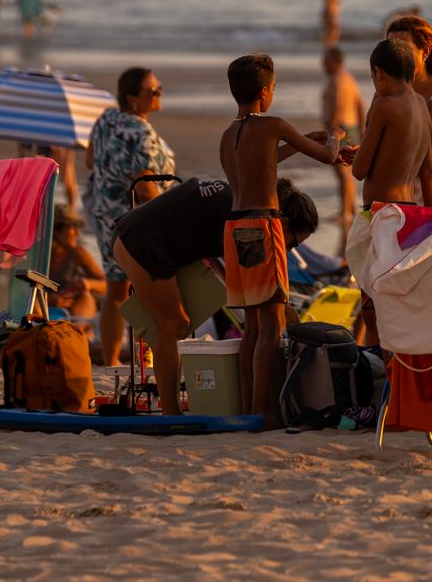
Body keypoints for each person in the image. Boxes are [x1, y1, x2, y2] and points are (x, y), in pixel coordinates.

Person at [112, 176, 317, 415]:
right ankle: (170, 411)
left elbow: (231, 269)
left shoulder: (243, 199)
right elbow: (251, 281)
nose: (288, 250)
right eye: (292, 244)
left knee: (178, 323)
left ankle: (178, 406)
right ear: (282, 223)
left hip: (150, 235)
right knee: (173, 324)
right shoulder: (249, 220)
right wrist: (283, 307)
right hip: (140, 239)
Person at [220, 53, 347, 424]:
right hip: (263, 227)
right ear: (264, 91)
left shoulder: (231, 134)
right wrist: (336, 136)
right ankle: (264, 411)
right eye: (273, 88)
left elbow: (262, 161)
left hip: (234, 228)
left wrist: (296, 143)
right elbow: (327, 156)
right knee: (272, 324)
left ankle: (248, 408)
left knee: (252, 327)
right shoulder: (272, 123)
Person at [85, 67, 175, 367]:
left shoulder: (106, 119)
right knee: (147, 293)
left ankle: (111, 361)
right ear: (132, 99)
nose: (159, 94)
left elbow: (89, 159)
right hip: (135, 221)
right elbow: (146, 185)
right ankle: (148, 361)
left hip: (104, 215)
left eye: (159, 88)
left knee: (115, 291)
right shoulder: (141, 131)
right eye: (153, 91)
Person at [385, 14, 432, 210]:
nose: (396, 57)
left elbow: (430, 161)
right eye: (391, 50)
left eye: (403, 49)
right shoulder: (390, 92)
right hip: (398, 196)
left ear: (425, 51)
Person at [351, 38, 432, 211]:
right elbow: (427, 172)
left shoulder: (384, 105)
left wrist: (357, 155)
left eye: (372, 77)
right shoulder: (421, 104)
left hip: (383, 212)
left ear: (378, 73)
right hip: (409, 210)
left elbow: (359, 170)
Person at [321, 45, 366, 254]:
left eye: (326, 59)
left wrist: (331, 131)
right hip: (351, 127)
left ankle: (348, 212)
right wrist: (363, 128)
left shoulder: (338, 80)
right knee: (344, 173)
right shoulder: (349, 78)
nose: (323, 63)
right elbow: (360, 104)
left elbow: (338, 106)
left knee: (343, 172)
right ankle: (347, 210)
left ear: (335, 61)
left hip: (341, 128)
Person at [47, 207, 105, 323]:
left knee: (86, 296)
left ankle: (77, 333)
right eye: (72, 228)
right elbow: (20, 288)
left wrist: (89, 284)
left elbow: (107, 284)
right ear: (55, 231)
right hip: (43, 305)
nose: (77, 233)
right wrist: (47, 299)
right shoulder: (40, 253)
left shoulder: (77, 253)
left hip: (70, 307)